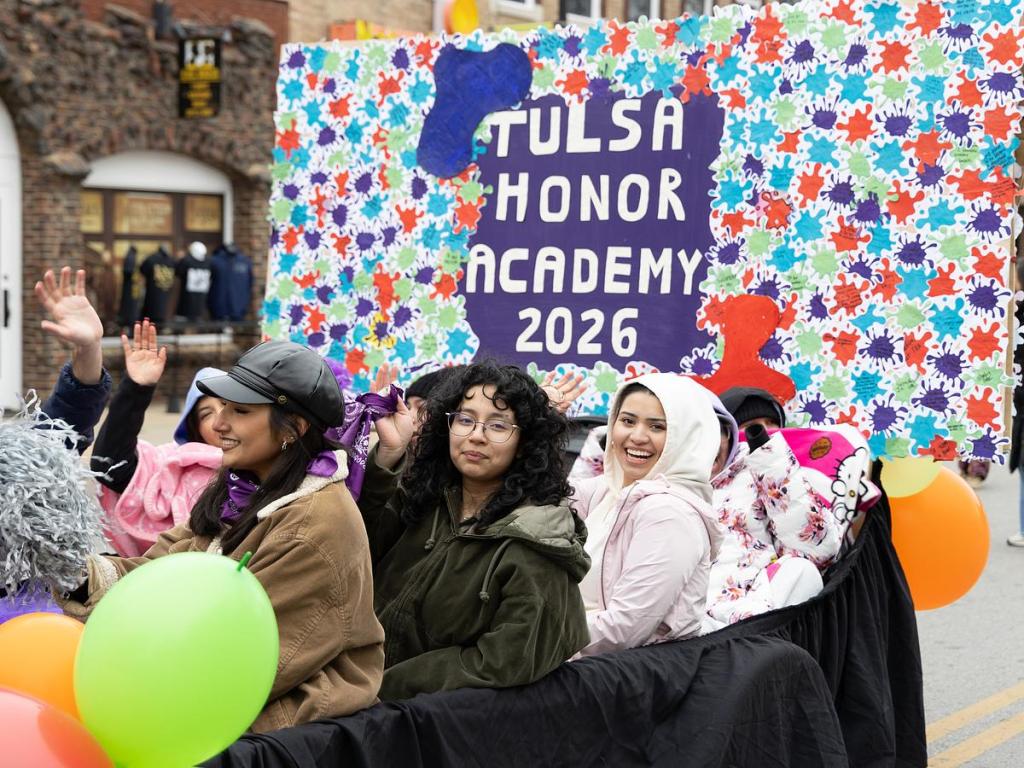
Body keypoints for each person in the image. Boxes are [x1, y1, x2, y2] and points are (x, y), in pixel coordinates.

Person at [59, 341, 385, 732]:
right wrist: (68, 569)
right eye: (219, 408)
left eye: (241, 411)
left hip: (283, 732)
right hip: (212, 701)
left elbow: (242, 660)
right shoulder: (243, 488)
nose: (219, 424)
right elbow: (154, 571)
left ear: (294, 429)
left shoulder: (312, 526)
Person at [360, 362, 589, 700]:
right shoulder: (425, 502)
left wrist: (383, 686)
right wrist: (388, 456)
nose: (476, 436)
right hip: (359, 703)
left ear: (525, 442)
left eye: (498, 425)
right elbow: (352, 554)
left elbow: (504, 662)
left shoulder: (533, 540)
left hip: (426, 726)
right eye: (465, 420)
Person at [573, 373, 724, 655]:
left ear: (687, 437)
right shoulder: (608, 491)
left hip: (621, 675)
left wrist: (528, 639)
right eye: (628, 421)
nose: (637, 437)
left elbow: (624, 629)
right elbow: (534, 499)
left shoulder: (670, 514)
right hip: (577, 656)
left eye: (657, 427)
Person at [89, 318, 225, 556]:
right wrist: (136, 388)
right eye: (206, 414)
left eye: (228, 404)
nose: (221, 418)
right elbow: (109, 466)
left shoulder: (270, 465)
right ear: (195, 431)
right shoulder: (175, 463)